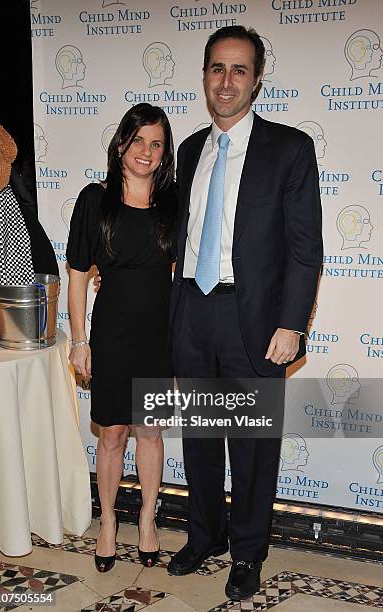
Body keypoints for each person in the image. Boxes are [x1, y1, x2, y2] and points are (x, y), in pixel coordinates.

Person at [167, 26, 323, 601]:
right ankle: (204, 535)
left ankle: (248, 551)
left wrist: (293, 324)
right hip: (193, 313)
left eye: (238, 70)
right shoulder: (188, 150)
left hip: (255, 323)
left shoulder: (290, 148)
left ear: (257, 79)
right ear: (205, 76)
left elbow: (306, 248)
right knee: (201, 440)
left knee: (254, 448)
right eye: (216, 68)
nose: (225, 81)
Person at [66, 103, 177, 573]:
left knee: (149, 433)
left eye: (156, 143)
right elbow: (75, 277)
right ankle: (108, 521)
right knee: (111, 434)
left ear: (164, 152)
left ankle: (148, 519)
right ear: (120, 145)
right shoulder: (95, 200)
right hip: (110, 334)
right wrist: (79, 340)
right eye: (138, 141)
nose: (146, 152)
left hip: (159, 336)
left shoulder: (174, 202)